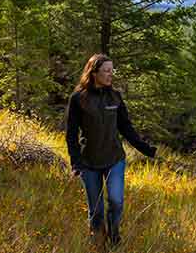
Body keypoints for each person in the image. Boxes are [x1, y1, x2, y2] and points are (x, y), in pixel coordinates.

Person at [65, 53, 158, 249]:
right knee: (96, 210)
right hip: (88, 162)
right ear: (94, 72)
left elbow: (126, 127)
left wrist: (145, 149)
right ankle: (98, 244)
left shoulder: (115, 97)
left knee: (116, 202)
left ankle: (114, 239)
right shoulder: (78, 99)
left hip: (114, 159)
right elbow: (71, 134)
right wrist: (75, 161)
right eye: (106, 71)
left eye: (111, 70)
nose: (110, 74)